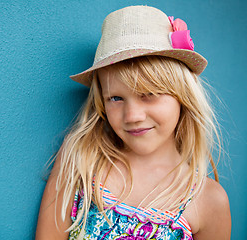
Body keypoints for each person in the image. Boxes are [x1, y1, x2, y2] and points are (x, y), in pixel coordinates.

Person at [36, 5, 231, 240]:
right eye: (116, 98)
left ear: (183, 97)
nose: (132, 116)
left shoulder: (209, 200)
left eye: (149, 94)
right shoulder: (81, 159)